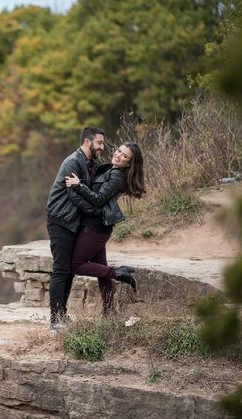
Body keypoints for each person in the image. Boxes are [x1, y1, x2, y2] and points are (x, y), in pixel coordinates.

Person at [64, 142, 146, 315]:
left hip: (95, 228)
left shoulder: (117, 175)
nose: (118, 155)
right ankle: (109, 312)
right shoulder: (113, 170)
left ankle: (118, 273)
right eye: (119, 151)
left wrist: (78, 185)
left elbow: (99, 198)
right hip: (99, 227)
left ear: (129, 163)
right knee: (101, 271)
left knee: (76, 265)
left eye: (124, 156)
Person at [46, 126, 106, 333]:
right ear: (87, 142)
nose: (102, 147)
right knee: (61, 270)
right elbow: (75, 196)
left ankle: (62, 315)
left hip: (73, 222)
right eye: (99, 143)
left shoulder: (90, 163)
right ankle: (55, 321)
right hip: (60, 221)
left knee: (69, 270)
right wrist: (97, 209)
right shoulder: (73, 162)